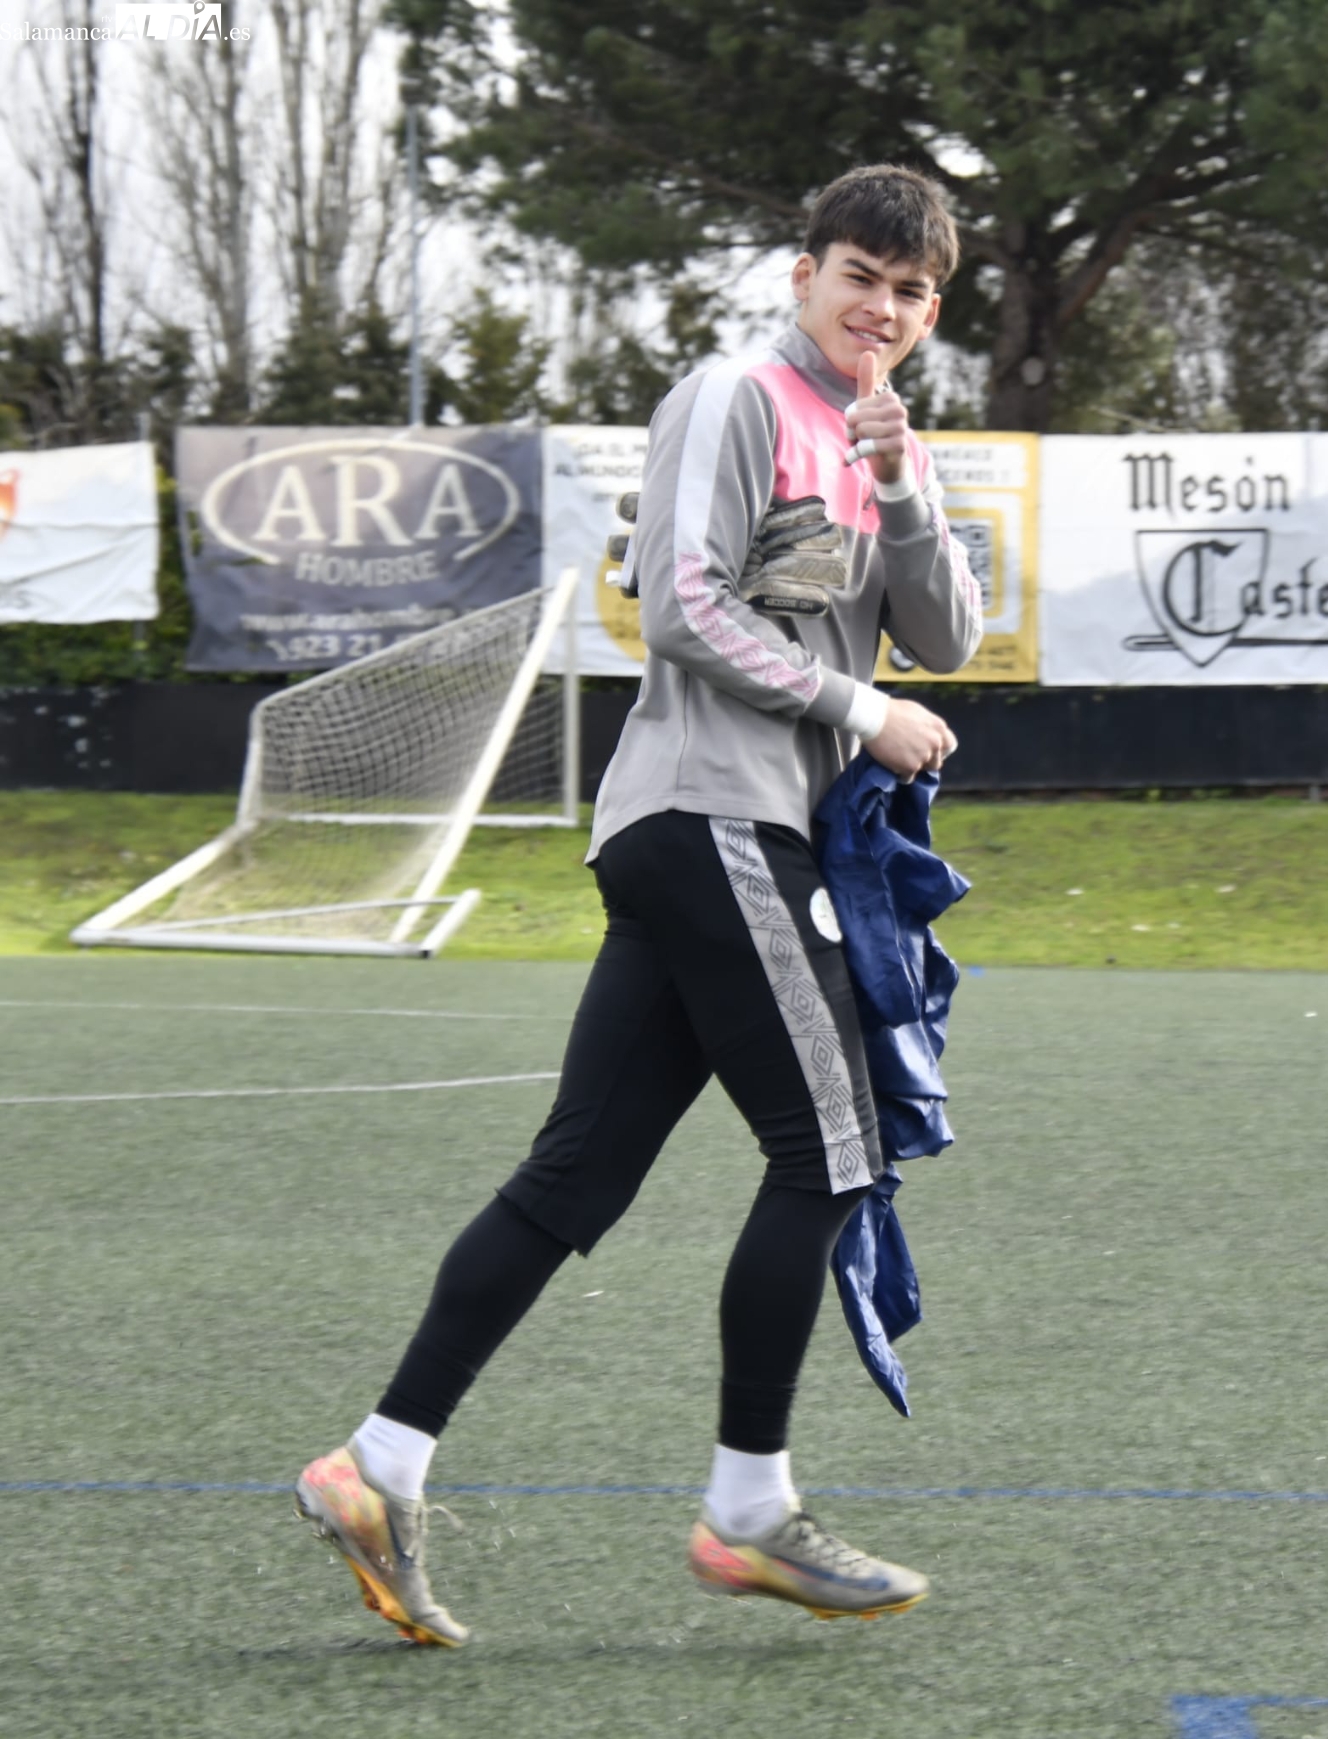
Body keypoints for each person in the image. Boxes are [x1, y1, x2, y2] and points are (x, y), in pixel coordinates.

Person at [294, 163, 983, 1646]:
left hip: (731, 835)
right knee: (834, 1156)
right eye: (860, 276)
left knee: (577, 1177)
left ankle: (376, 1465)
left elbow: (947, 635)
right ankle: (748, 1511)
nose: (881, 308)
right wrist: (859, 708)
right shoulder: (733, 397)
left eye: (912, 292)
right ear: (804, 274)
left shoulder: (875, 438)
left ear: (931, 313)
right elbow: (679, 607)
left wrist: (903, 487)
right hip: (716, 819)